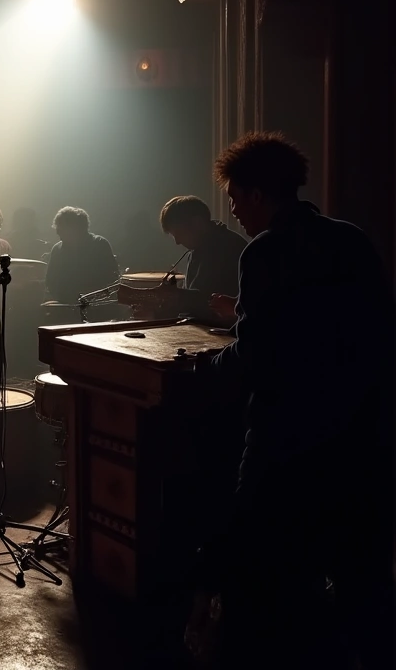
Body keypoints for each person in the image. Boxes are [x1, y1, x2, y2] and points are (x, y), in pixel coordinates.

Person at [197, 132, 393, 670]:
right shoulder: (350, 238)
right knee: (355, 573)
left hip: (286, 432)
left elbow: (258, 352)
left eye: (236, 198)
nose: (233, 210)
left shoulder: (265, 250)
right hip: (360, 429)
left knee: (261, 567)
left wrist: (209, 368)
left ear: (258, 194)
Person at [160, 195, 248, 323]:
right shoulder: (197, 249)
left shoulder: (229, 247)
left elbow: (213, 303)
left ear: (198, 223)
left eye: (179, 233)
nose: (178, 242)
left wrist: (175, 296)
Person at [45, 207, 119, 303]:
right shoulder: (57, 249)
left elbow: (111, 279)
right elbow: (50, 280)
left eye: (61, 230)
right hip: (65, 303)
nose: (59, 234)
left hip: (96, 304)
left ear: (77, 229)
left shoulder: (99, 244)